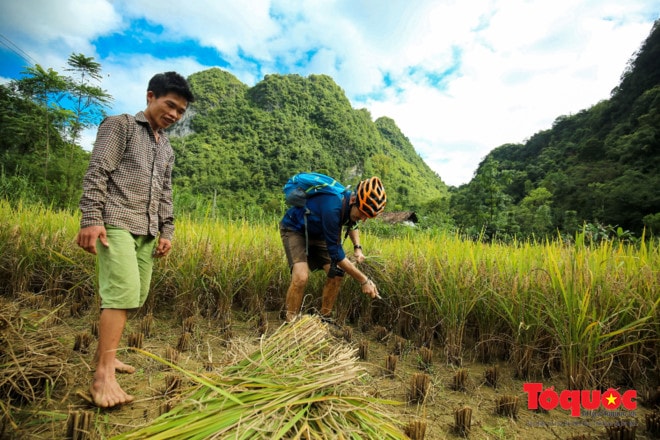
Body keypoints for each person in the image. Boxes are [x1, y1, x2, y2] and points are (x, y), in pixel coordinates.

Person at [76, 71, 194, 408]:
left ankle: (108, 357)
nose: (173, 115)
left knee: (134, 296)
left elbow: (166, 193)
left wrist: (166, 231)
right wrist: (90, 219)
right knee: (122, 293)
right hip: (115, 221)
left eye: (180, 112)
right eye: (170, 105)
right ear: (150, 96)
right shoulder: (121, 125)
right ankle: (102, 375)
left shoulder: (167, 147)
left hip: (147, 231)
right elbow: (98, 170)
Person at [280, 176, 387, 323]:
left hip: (319, 234)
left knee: (337, 274)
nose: (363, 218)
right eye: (362, 213)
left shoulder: (350, 205)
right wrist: (364, 280)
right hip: (295, 229)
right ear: (353, 200)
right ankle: (290, 321)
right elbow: (336, 253)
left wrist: (357, 247)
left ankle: (324, 318)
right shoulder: (333, 207)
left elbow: (352, 224)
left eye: (367, 216)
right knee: (301, 276)